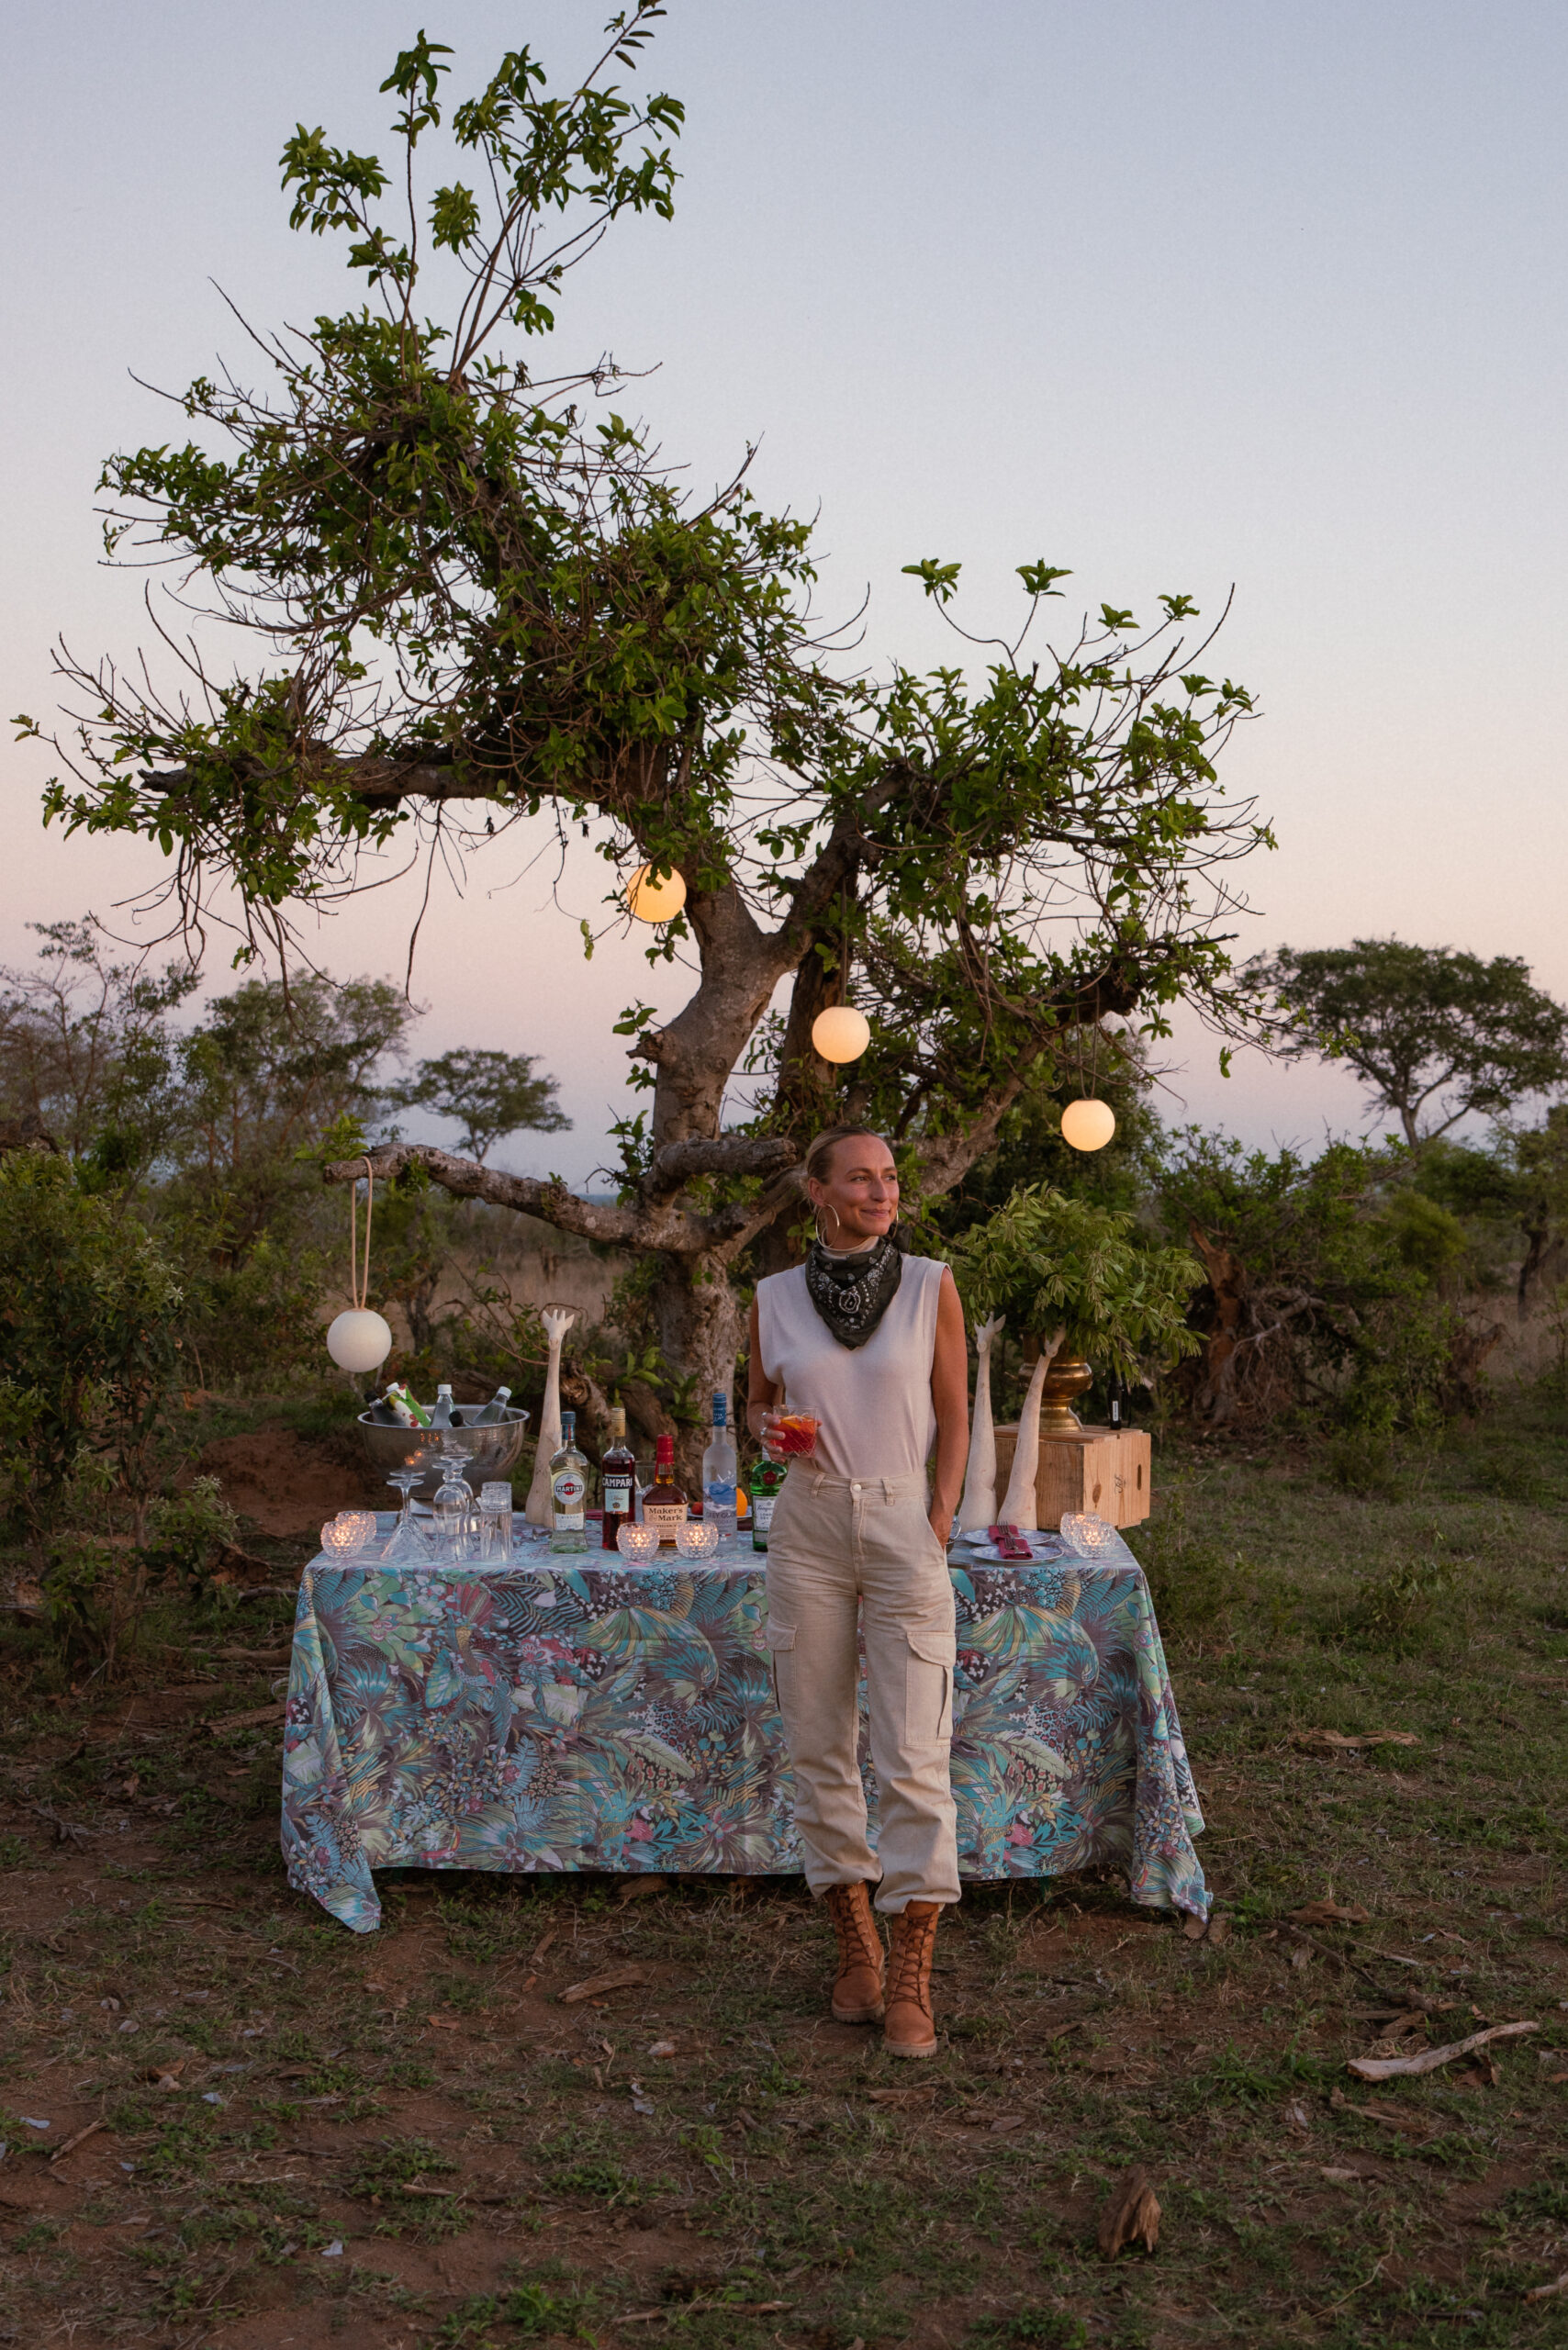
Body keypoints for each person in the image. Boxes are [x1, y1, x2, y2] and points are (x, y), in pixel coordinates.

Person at [747, 1125, 969, 2057]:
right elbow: (759, 1401)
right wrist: (765, 1427)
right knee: (818, 1743)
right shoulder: (773, 1296)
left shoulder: (928, 1286)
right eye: (861, 1178)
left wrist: (939, 1518)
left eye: (889, 1177)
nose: (882, 1191)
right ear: (819, 1191)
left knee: (913, 1750)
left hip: (898, 1518)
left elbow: (956, 1410)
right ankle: (855, 1943)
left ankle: (914, 1970)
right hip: (806, 1525)